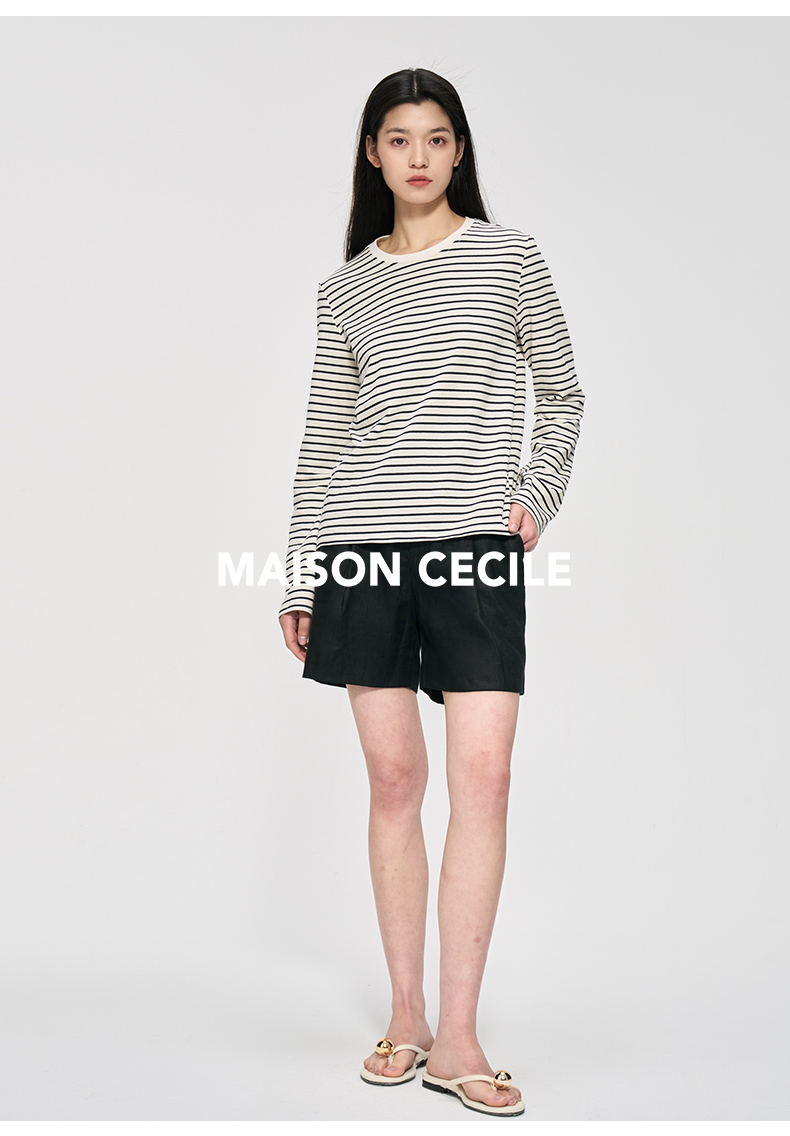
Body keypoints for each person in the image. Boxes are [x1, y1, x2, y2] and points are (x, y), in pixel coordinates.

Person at [277, 68, 585, 1118]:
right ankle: (406, 1014)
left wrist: (534, 496)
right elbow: (323, 443)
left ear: (459, 151)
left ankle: (459, 1033)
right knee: (395, 781)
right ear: (373, 153)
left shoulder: (509, 257)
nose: (418, 155)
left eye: (437, 136)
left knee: (484, 778)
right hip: (362, 551)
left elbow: (563, 392)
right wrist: (302, 571)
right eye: (399, 137)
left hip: (472, 551)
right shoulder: (346, 289)